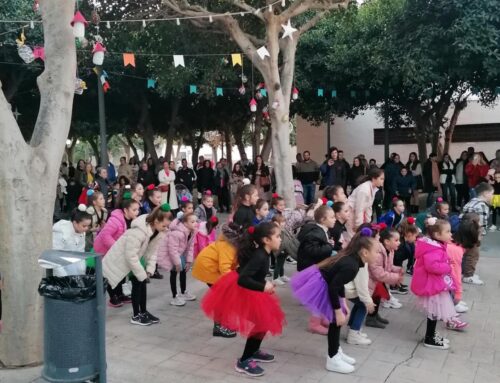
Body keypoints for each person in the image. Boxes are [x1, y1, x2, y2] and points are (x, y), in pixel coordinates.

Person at [201, 222, 286, 377]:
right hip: (242, 291)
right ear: (266, 240)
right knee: (261, 322)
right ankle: (244, 361)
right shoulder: (260, 256)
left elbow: (254, 275)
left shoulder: (264, 253)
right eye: (278, 236)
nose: (280, 239)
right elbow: (243, 279)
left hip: (252, 290)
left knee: (264, 321)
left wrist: (264, 283)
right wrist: (262, 287)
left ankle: (254, 351)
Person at [290, 229, 379, 374]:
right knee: (335, 320)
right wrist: (338, 311)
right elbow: (333, 287)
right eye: (376, 251)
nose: (377, 255)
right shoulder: (352, 266)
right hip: (323, 284)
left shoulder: (354, 260)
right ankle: (333, 358)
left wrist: (343, 303)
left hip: (329, 284)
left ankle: (336, 351)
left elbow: (339, 284)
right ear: (364, 252)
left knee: (338, 318)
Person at [103, 205, 172, 326]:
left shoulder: (157, 230)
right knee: (138, 283)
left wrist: (150, 270)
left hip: (137, 258)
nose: (165, 228)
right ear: (156, 221)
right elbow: (130, 256)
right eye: (164, 225)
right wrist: (142, 274)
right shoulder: (138, 232)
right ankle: (136, 315)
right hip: (123, 260)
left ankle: (143, 312)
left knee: (142, 284)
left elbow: (153, 251)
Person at [410, 219, 468, 350]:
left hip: (434, 284)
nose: (450, 234)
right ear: (437, 235)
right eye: (447, 232)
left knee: (434, 313)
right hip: (432, 286)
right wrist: (447, 267)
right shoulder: (434, 249)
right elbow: (432, 266)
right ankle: (429, 338)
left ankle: (430, 334)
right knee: (434, 313)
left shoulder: (435, 245)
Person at [192, 222, 242, 338]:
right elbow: (225, 267)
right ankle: (219, 327)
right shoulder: (228, 247)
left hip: (213, 269)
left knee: (224, 298)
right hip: (209, 270)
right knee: (222, 299)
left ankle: (223, 324)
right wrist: (233, 283)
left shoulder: (231, 244)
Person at [297, 206, 336, 335]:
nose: (334, 219)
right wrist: (328, 246)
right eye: (332, 217)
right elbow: (312, 251)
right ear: (323, 219)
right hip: (311, 268)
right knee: (319, 297)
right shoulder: (315, 232)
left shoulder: (322, 230)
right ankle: (315, 324)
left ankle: (322, 318)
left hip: (316, 267)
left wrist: (328, 244)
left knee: (323, 295)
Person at [94, 198, 140, 307]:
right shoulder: (115, 220)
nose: (137, 212)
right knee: (110, 272)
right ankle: (113, 297)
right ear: (125, 210)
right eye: (134, 210)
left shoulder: (132, 220)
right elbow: (105, 236)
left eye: (137, 209)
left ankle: (120, 294)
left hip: (117, 251)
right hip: (104, 250)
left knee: (120, 271)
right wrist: (117, 247)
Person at [366, 229, 404, 328]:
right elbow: (378, 273)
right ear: (387, 241)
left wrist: (398, 269)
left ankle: (374, 315)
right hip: (370, 279)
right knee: (372, 299)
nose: (399, 242)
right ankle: (370, 318)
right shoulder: (378, 252)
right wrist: (396, 277)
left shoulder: (390, 250)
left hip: (376, 280)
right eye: (396, 240)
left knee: (377, 297)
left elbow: (388, 266)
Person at [157, 213, 198, 307]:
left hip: (181, 253)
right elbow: (172, 250)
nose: (195, 223)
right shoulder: (177, 233)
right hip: (171, 255)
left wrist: (189, 261)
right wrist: (177, 263)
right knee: (174, 273)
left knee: (183, 271)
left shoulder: (192, 231)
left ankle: (183, 292)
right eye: (192, 221)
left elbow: (190, 247)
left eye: (196, 221)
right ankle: (174, 296)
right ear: (185, 223)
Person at [460, 182, 494, 285]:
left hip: (464, 231)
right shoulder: (482, 205)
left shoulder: (471, 202)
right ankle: (468, 276)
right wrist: (480, 236)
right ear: (485, 193)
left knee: (466, 254)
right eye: (492, 194)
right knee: (473, 254)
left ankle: (464, 272)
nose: (492, 196)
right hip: (473, 234)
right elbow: (481, 224)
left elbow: (461, 216)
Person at [449, 213, 480, 314]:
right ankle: (452, 304)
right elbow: (455, 274)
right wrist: (458, 294)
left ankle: (452, 301)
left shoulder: (454, 243)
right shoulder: (456, 250)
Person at [52, 205, 92, 276]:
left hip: (74, 268)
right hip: (61, 268)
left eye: (88, 226)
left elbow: (80, 253)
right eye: (84, 226)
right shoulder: (61, 232)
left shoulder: (81, 232)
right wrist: (64, 277)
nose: (86, 228)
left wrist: (81, 273)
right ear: (75, 223)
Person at [345, 168, 385, 239]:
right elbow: (359, 208)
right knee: (353, 238)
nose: (383, 181)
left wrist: (368, 224)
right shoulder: (364, 189)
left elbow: (369, 207)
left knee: (360, 237)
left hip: (356, 213)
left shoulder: (373, 188)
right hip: (350, 212)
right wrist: (359, 225)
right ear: (374, 178)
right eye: (381, 179)